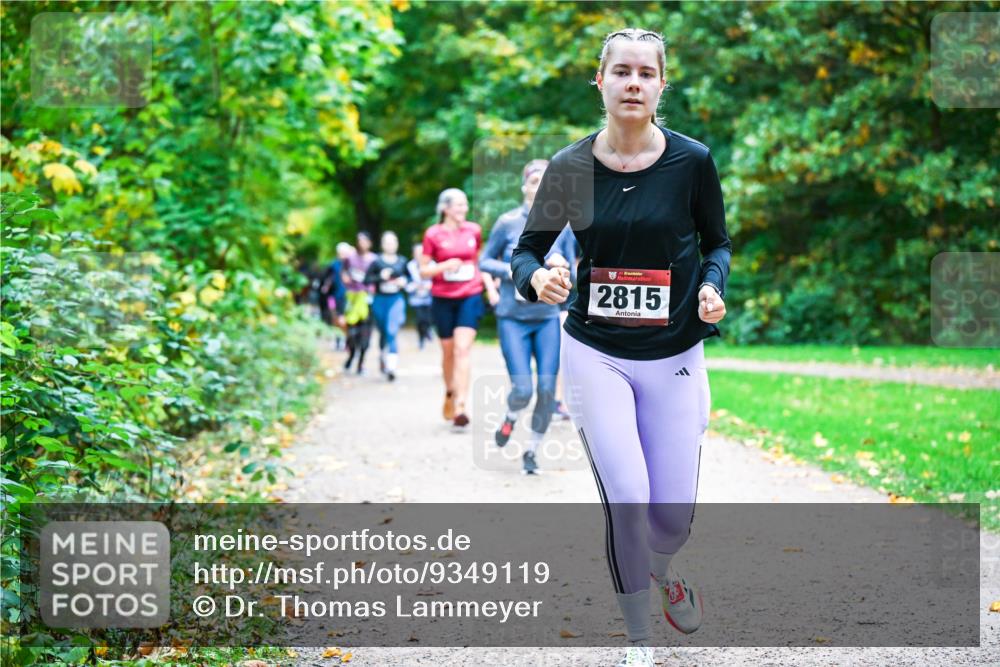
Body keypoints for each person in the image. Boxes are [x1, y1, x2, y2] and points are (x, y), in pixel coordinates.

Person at [510, 28, 731, 667]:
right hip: (596, 349)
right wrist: (539, 277)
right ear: (600, 82)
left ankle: (666, 569)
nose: (633, 83)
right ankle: (640, 642)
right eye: (621, 72)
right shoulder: (571, 167)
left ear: (662, 85)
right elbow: (527, 251)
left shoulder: (691, 161)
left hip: (677, 352)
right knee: (627, 499)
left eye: (645, 73)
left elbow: (716, 242)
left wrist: (711, 289)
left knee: (672, 520)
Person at [480, 159, 576, 475]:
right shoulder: (507, 222)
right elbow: (484, 261)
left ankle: (532, 450)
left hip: (547, 316)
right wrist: (515, 270)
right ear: (525, 186)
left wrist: (562, 267)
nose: (540, 186)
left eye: (546, 181)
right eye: (535, 181)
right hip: (513, 317)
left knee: (547, 389)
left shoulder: (562, 224)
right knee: (523, 389)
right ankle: (510, 416)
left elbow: (572, 266)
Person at [419, 188, 499, 428]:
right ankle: (451, 392)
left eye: (465, 205)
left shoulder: (473, 230)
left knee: (462, 350)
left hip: (470, 294)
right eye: (458, 205)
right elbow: (423, 270)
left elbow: (479, 262)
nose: (463, 209)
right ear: (445, 208)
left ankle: (461, 405)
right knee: (448, 351)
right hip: (443, 297)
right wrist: (444, 266)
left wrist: (490, 287)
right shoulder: (433, 234)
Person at [365, 231, 409, 381]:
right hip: (379, 300)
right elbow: (366, 280)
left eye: (393, 242)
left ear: (397, 244)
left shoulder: (402, 261)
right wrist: (380, 277)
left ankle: (392, 367)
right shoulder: (376, 262)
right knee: (383, 332)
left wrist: (403, 282)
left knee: (392, 330)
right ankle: (383, 357)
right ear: (382, 245)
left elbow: (409, 278)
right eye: (387, 242)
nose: (390, 245)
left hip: (395, 299)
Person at [343, 232, 377, 374]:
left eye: (365, 241)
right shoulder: (349, 258)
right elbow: (343, 274)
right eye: (359, 241)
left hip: (368, 300)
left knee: (365, 334)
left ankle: (361, 363)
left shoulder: (375, 259)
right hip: (352, 298)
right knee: (351, 333)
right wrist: (348, 281)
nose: (362, 244)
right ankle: (351, 355)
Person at [406, 243, 434, 349]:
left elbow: (437, 280)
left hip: (429, 297)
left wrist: (429, 286)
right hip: (416, 297)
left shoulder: (432, 265)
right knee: (419, 319)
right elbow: (406, 281)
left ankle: (427, 330)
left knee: (428, 318)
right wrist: (414, 286)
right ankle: (421, 338)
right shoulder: (410, 266)